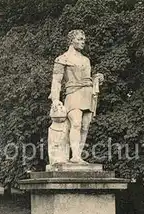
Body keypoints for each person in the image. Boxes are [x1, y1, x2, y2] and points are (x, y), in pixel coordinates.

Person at [48, 29, 104, 164]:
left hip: (87, 93)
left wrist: (97, 78)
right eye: (79, 39)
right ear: (71, 40)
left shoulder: (86, 60)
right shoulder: (62, 59)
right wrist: (55, 99)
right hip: (73, 93)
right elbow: (56, 80)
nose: (82, 42)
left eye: (83, 40)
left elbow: (87, 78)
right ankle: (75, 157)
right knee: (76, 123)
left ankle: (78, 155)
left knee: (85, 126)